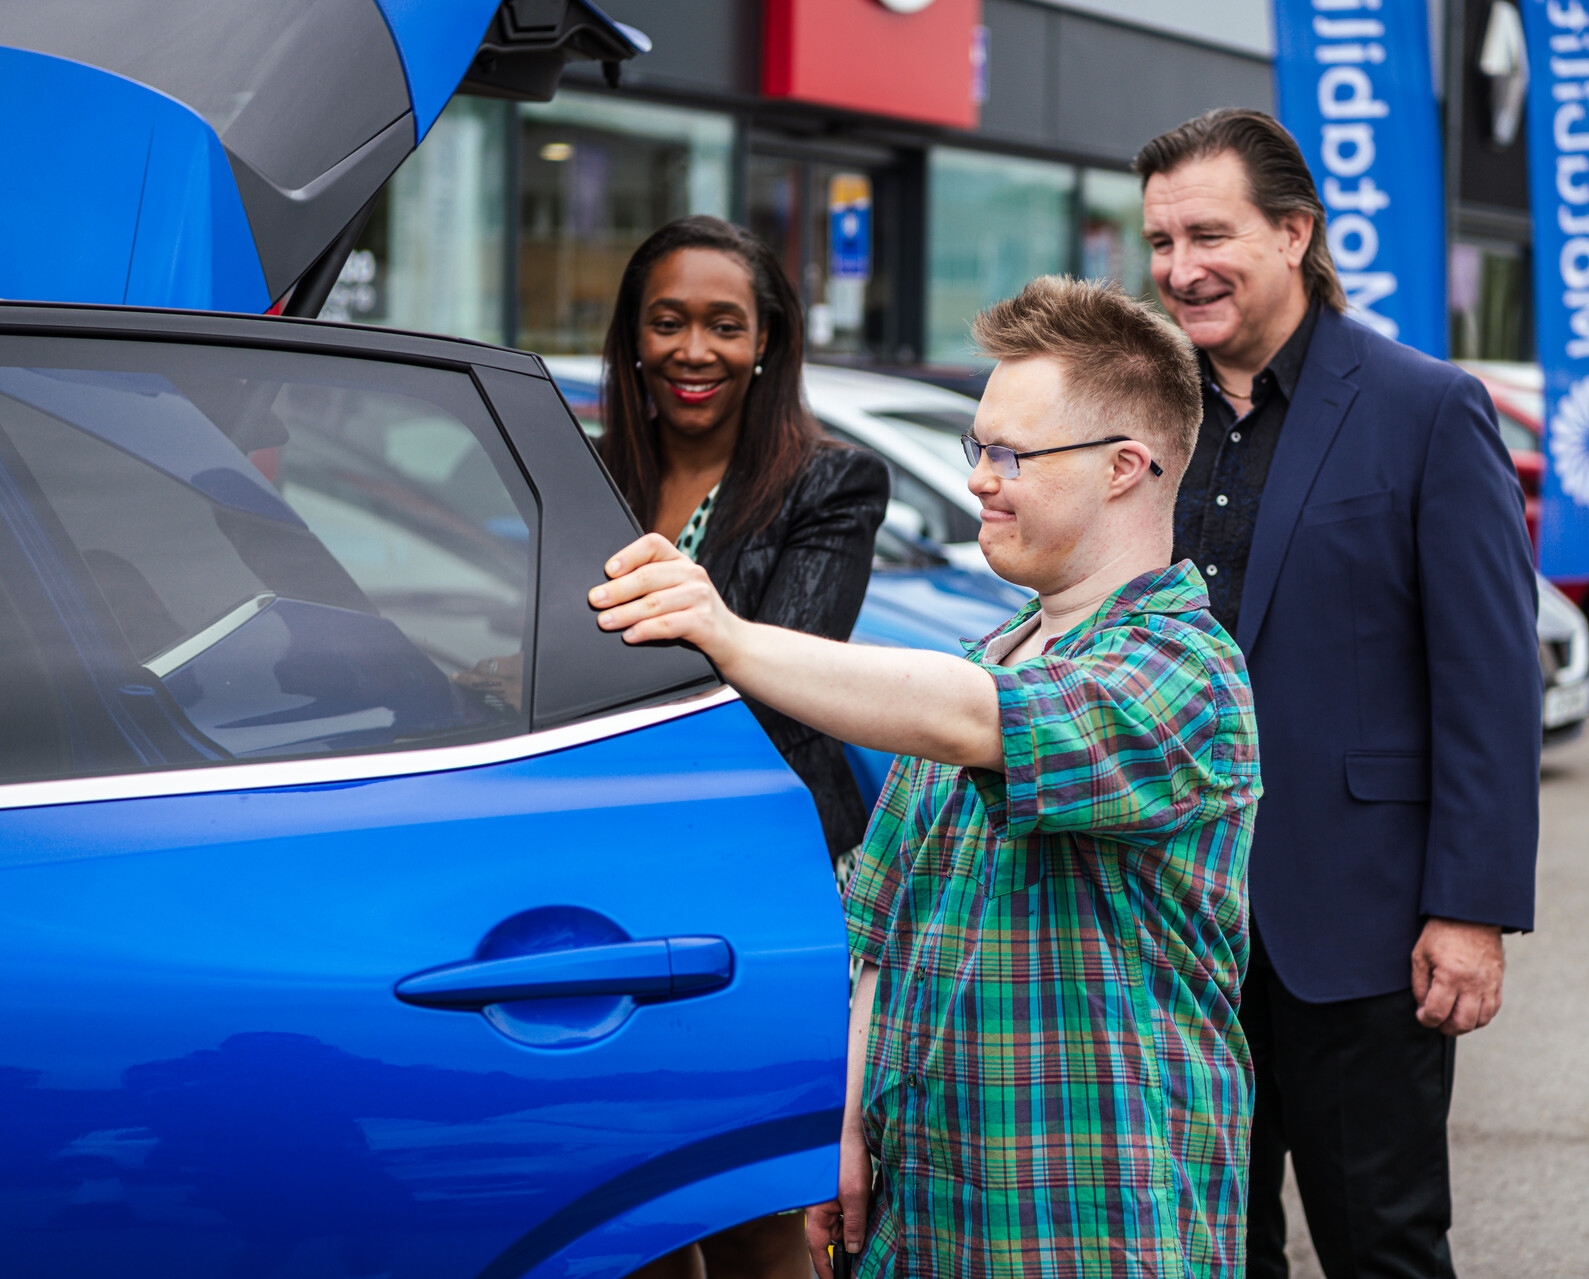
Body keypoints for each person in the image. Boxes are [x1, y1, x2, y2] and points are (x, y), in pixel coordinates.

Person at [588, 276, 1262, 1279]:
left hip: (1088, 1220)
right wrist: (848, 1126)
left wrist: (724, 634)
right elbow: (877, 927)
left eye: (1011, 455)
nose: (980, 480)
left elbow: (974, 720)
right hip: (926, 1213)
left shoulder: (1186, 670)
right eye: (977, 448)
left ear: (1127, 467)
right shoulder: (994, 649)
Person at [1133, 109, 1540, 1279]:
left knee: (1385, 1246)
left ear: (1295, 231)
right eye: (1161, 242)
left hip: (1359, 931)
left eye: (1209, 234)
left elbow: (1487, 680)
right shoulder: (1147, 422)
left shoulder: (1424, 407)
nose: (1180, 269)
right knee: (1207, 1247)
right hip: (1175, 930)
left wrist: (1469, 911)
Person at [601, 214, 889, 1279]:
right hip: (625, 872)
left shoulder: (831, 483)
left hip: (771, 868)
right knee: (639, 1190)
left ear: (767, 341)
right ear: (632, 335)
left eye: (724, 324)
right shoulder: (586, 476)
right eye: (667, 321)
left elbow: (788, 685)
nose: (694, 349)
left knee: (761, 1193)